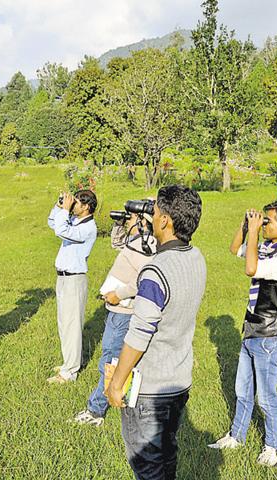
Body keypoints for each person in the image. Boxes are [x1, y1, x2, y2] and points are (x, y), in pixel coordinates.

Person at [107, 185, 207, 480]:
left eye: (156, 213)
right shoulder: (196, 257)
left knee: (148, 467)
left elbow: (139, 335)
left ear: (164, 220)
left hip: (150, 391)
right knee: (166, 458)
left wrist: (117, 383)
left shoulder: (156, 270)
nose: (151, 218)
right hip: (179, 382)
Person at [209, 200, 277, 469]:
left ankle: (273, 447)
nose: (263, 226)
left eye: (268, 222)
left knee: (266, 396)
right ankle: (236, 436)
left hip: (269, 336)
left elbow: (251, 268)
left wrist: (253, 232)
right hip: (252, 330)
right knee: (242, 389)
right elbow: (235, 249)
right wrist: (245, 224)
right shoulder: (270, 248)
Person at [72, 210, 157, 426]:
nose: (127, 220)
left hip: (124, 312)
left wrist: (118, 295)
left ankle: (97, 410)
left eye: (131, 217)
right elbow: (117, 243)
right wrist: (121, 224)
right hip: (119, 310)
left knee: (110, 359)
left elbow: (144, 280)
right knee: (113, 358)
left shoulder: (146, 247)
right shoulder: (138, 242)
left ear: (142, 221)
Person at [47, 190, 98, 384]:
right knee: (64, 324)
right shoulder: (77, 222)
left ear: (86, 206)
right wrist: (59, 206)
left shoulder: (89, 228)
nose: (72, 205)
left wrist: (65, 210)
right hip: (63, 278)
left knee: (72, 326)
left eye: (75, 203)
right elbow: (53, 223)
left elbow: (61, 230)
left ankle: (70, 372)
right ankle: (69, 361)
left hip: (74, 280)